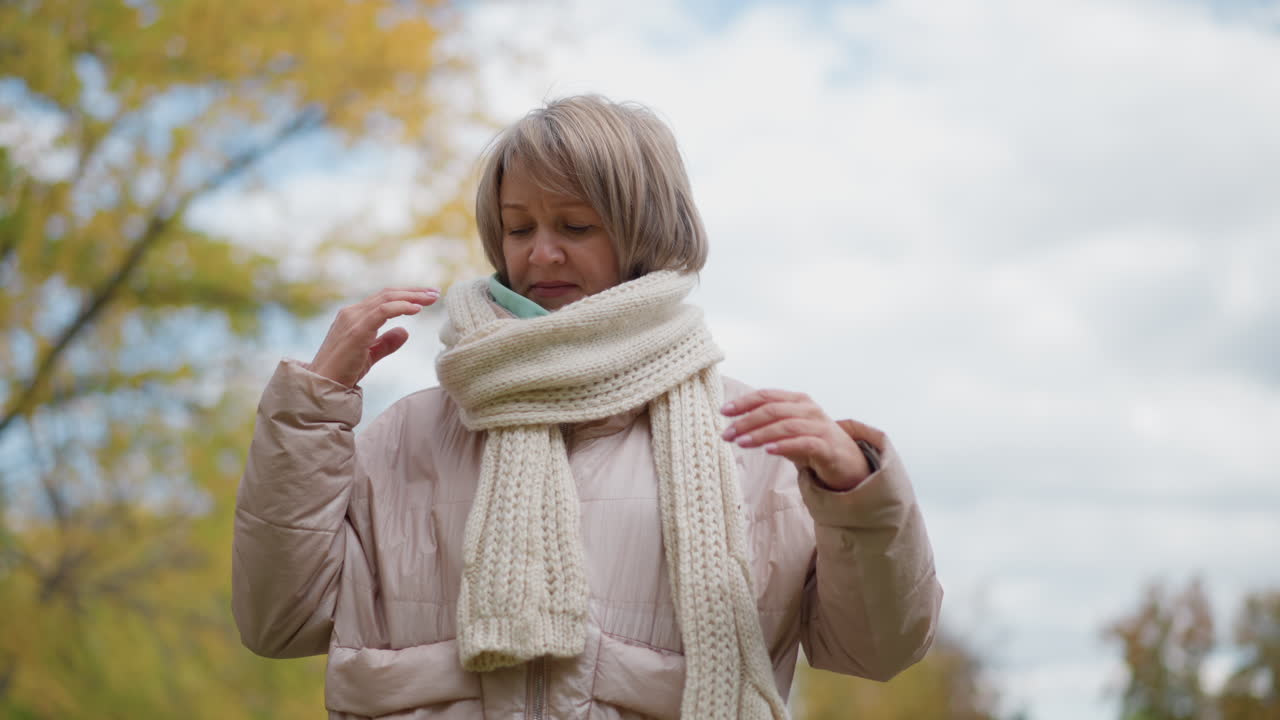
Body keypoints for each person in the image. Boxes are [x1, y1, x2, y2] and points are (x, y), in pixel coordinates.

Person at [232, 95, 942, 719]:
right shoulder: (403, 437)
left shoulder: (750, 442)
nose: (540, 254)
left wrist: (856, 493)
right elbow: (278, 622)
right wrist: (311, 411)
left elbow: (877, 649)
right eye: (518, 228)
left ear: (645, 234)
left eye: (574, 227)